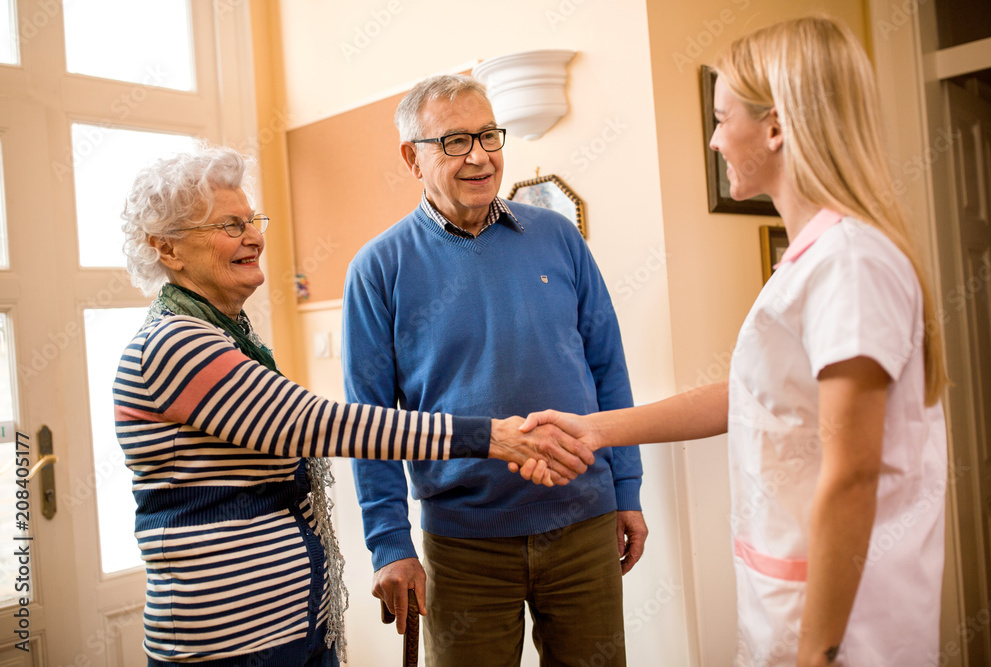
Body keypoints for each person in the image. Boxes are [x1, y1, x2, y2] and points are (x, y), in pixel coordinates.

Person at [518, 17, 948, 667]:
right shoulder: (813, 260)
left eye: (722, 119)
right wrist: (593, 429)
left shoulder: (850, 262)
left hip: (849, 630)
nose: (715, 141)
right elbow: (749, 394)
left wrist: (817, 653)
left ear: (775, 126)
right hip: (791, 594)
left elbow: (852, 474)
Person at [114, 144, 594, 667]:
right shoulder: (174, 344)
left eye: (253, 220)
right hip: (227, 642)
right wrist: (492, 438)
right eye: (231, 225)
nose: (254, 236)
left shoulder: (222, 335)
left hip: (281, 629)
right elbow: (316, 424)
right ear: (168, 249)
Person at [342, 74, 646, 666]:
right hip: (463, 544)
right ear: (412, 158)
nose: (479, 156)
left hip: (583, 521)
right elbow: (369, 423)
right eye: (454, 141)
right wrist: (388, 546)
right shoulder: (378, 268)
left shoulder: (558, 237)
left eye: (488, 135)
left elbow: (608, 368)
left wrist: (627, 488)